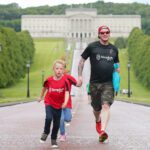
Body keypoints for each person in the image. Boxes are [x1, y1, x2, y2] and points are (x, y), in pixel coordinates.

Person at [78, 25, 120, 142]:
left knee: (106, 106)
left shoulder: (114, 49)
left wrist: (117, 79)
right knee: (96, 109)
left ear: (109, 33)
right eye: (102, 32)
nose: (105, 34)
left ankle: (102, 131)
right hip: (94, 83)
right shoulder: (92, 47)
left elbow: (117, 66)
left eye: (107, 32)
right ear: (99, 34)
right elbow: (81, 61)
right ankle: (98, 120)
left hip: (108, 83)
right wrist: (80, 76)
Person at [38, 59, 70, 149]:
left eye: (61, 69)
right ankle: (45, 132)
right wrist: (40, 97)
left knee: (56, 124)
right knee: (48, 118)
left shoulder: (65, 81)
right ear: (53, 69)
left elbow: (67, 93)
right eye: (57, 68)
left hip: (59, 105)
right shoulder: (48, 80)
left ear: (63, 70)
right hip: (49, 102)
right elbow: (44, 89)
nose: (59, 70)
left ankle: (53, 140)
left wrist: (65, 102)